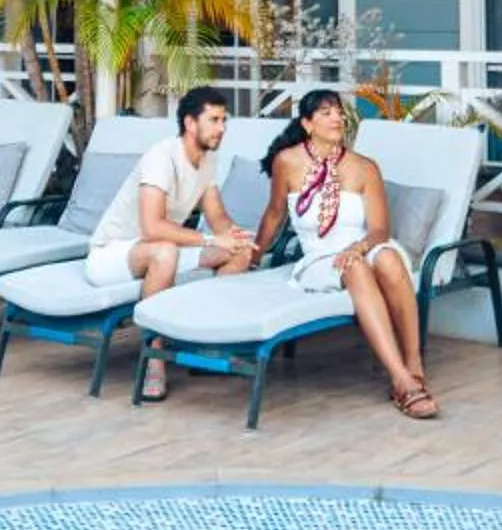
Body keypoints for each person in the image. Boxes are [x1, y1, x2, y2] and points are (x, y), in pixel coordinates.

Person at [255, 90, 439, 420]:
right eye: (326, 113)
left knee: (389, 258)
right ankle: (401, 380)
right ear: (307, 124)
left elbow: (381, 229)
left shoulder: (364, 168)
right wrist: (253, 256)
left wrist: (358, 248)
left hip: (363, 244)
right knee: (356, 269)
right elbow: (273, 214)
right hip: (319, 258)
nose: (337, 118)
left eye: (339, 112)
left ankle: (413, 362)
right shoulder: (287, 162)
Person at [85, 84, 258, 400]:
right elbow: (152, 226)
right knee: (164, 252)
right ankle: (154, 358)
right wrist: (207, 237)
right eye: (215, 120)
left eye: (224, 121)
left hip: (163, 250)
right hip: (113, 254)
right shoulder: (161, 156)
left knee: (238, 252)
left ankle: (206, 342)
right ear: (191, 123)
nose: (222, 129)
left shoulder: (207, 160)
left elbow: (217, 215)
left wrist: (237, 237)